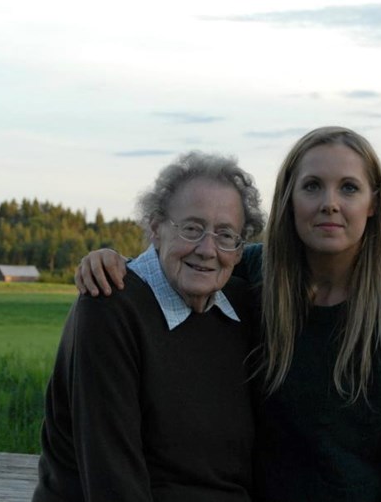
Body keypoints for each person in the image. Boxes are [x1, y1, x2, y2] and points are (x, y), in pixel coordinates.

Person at [75, 126, 381, 501]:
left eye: (349, 188)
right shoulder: (258, 274)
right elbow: (190, 258)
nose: (330, 203)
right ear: (288, 198)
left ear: (373, 204)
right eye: (312, 186)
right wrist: (116, 264)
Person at [33, 151, 266, 502]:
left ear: (238, 248)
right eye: (192, 228)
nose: (207, 249)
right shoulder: (109, 303)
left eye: (225, 234)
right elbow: (113, 480)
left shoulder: (241, 307)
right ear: (156, 228)